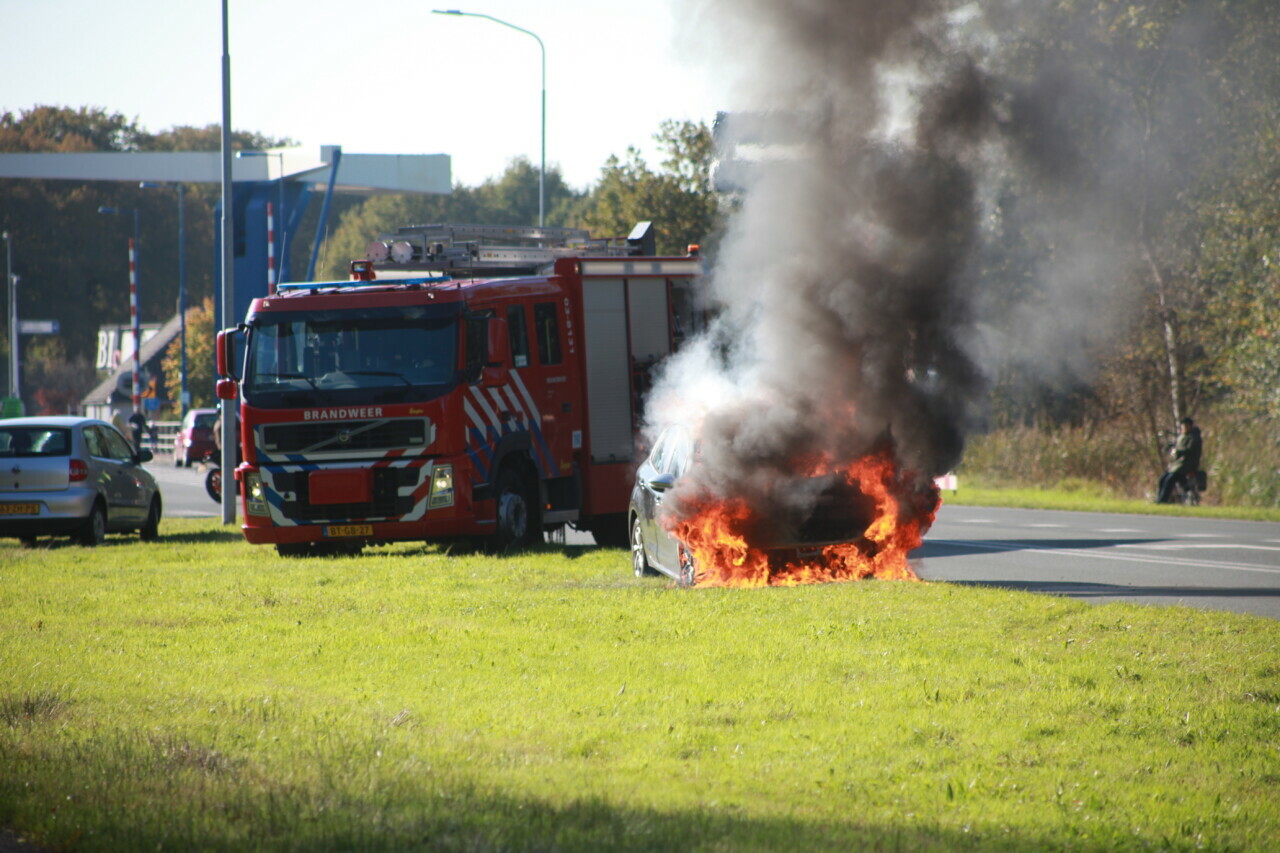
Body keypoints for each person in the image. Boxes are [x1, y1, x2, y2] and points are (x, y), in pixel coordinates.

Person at [1157, 417, 1203, 504]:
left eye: (1186, 426)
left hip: (1187, 465)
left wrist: (1178, 452)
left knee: (1169, 480)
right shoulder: (1182, 437)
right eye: (1183, 426)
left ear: (1190, 426)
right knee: (1163, 478)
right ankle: (1159, 498)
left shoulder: (1194, 438)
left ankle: (1162, 501)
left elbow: (1189, 450)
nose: (1184, 428)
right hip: (1178, 465)